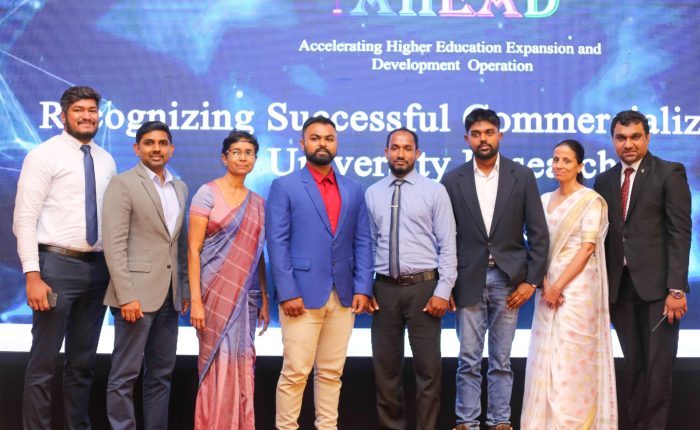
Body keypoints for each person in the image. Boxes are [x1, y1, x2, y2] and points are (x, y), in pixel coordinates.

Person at [13, 85, 116, 429]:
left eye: (92, 110)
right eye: (78, 110)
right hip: (55, 268)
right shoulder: (44, 155)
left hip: (98, 270)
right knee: (43, 364)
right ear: (63, 116)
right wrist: (32, 275)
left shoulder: (106, 160)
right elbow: (24, 219)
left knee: (82, 365)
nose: (87, 116)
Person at [441, 108, 548, 430]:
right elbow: (444, 237)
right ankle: (467, 422)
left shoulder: (522, 176)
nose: (483, 139)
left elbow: (539, 234)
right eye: (476, 134)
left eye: (489, 132)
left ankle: (500, 420)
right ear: (467, 139)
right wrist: (446, 285)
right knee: (468, 360)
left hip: (509, 281)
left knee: (502, 360)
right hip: (467, 280)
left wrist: (531, 282)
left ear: (500, 135)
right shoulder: (452, 180)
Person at [266, 116, 373, 430]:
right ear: (303, 144)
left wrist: (363, 287)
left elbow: (363, 241)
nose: (322, 143)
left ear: (336, 143)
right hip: (300, 295)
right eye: (315, 138)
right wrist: (287, 292)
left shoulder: (353, 189)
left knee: (331, 373)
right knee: (296, 372)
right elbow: (277, 243)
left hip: (343, 296)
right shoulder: (284, 186)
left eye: (329, 138)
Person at [593, 110, 691, 430]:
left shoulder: (669, 172)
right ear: (613, 140)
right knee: (633, 367)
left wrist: (676, 288)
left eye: (635, 137)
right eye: (621, 138)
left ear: (647, 137)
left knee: (657, 370)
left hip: (660, 292)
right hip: (620, 290)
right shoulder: (604, 180)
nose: (629, 144)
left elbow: (680, 232)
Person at [364, 127, 457, 430]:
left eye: (407, 148)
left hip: (424, 290)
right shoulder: (373, 193)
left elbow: (448, 245)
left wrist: (443, 290)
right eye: (395, 148)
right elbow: (368, 245)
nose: (400, 154)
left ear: (417, 153)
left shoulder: (434, 191)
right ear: (386, 152)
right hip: (384, 291)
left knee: (428, 373)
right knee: (385, 372)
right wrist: (366, 288)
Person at [521, 139, 617, 429]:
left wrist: (558, 286)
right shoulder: (543, 200)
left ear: (579, 166)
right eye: (555, 160)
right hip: (547, 286)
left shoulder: (591, 200)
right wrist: (545, 283)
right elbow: (537, 247)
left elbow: (587, 248)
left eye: (566, 160)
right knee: (546, 356)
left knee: (571, 357)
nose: (559, 165)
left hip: (577, 288)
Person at [102, 121, 190, 430]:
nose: (156, 149)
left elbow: (178, 245)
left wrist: (184, 289)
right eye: (149, 143)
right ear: (137, 148)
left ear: (171, 149)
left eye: (162, 143)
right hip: (135, 297)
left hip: (170, 297)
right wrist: (126, 295)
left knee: (161, 375)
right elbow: (114, 245)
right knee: (124, 376)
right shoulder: (122, 184)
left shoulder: (180, 187)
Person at [188, 130, 270, 429]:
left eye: (249, 153)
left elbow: (257, 254)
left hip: (245, 299)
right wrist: (196, 302)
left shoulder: (258, 203)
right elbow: (193, 250)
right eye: (236, 152)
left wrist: (264, 297)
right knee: (216, 363)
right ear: (225, 158)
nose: (243, 158)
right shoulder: (207, 193)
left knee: (242, 363)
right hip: (213, 295)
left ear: (255, 159)